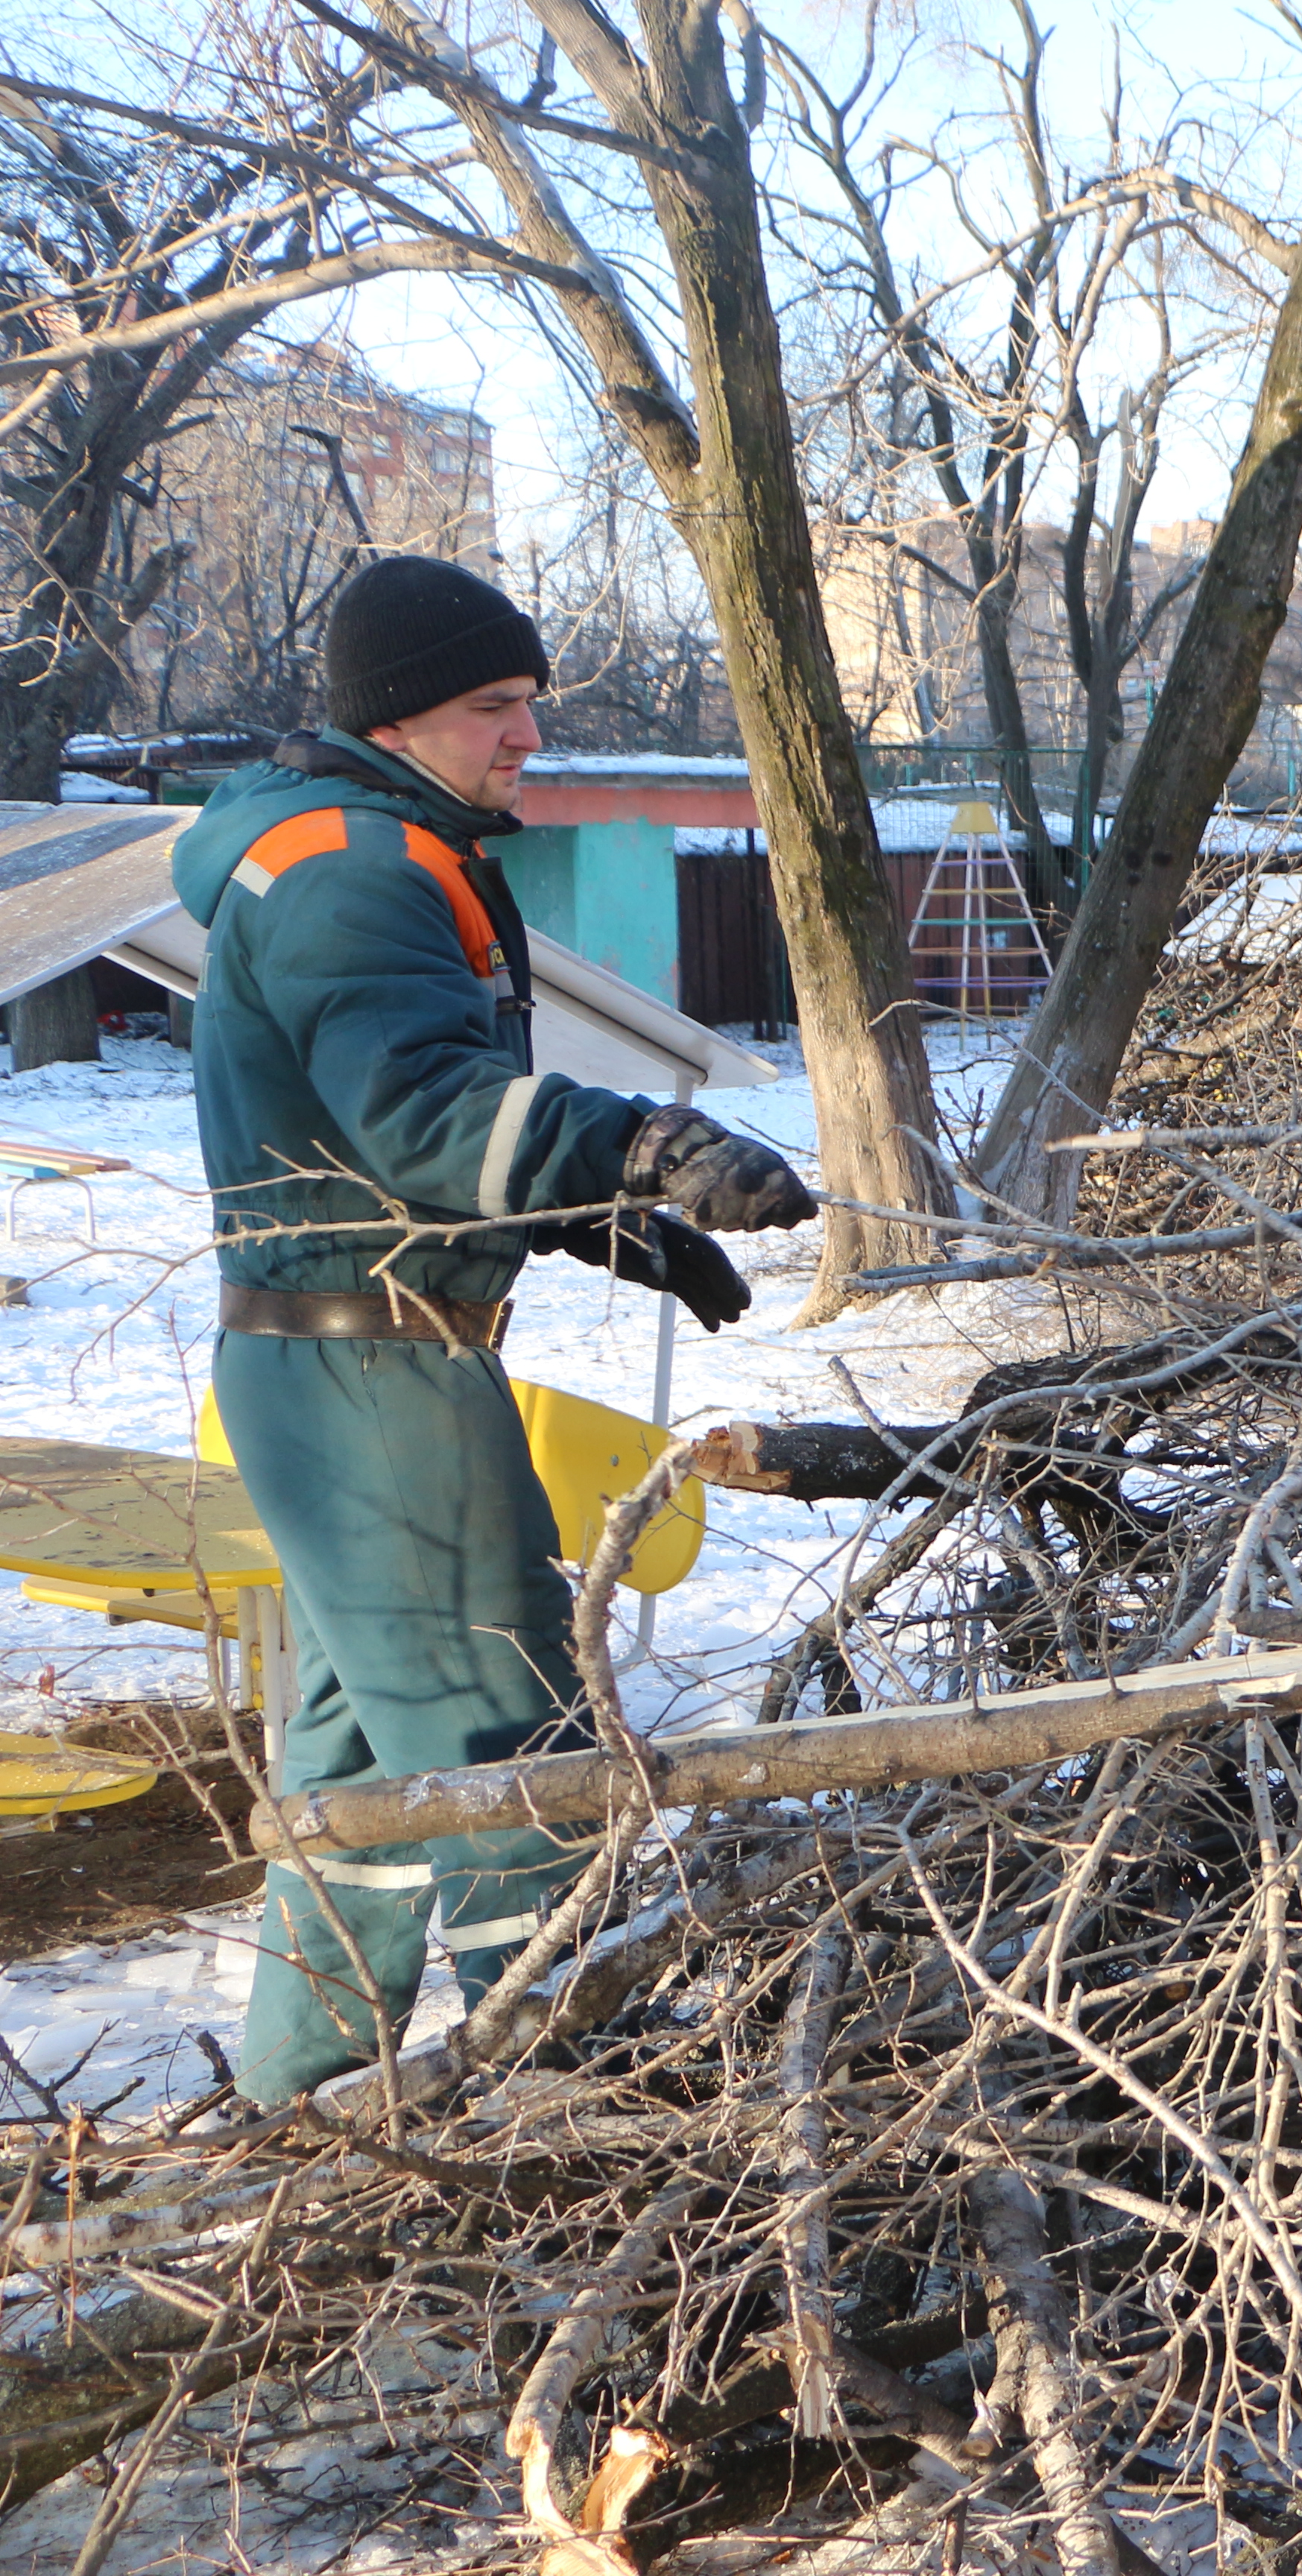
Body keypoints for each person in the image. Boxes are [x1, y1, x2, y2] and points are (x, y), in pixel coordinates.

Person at [172, 555, 817, 2104]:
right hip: (371, 1375)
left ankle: (300, 2105)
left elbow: (367, 1138)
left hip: (334, 1354)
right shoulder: (352, 869)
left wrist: (605, 1225)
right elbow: (416, 1111)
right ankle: (586, 2107)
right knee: (514, 1747)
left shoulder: (349, 848)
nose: (527, 735)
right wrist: (640, 1145)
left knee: (359, 1778)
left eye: (530, 702)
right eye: (495, 706)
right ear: (403, 716)